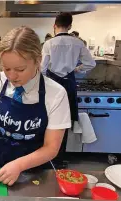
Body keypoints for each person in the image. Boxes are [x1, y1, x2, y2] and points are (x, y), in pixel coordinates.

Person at [0, 26, 71, 186]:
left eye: (20, 69)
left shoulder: (56, 94)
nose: (11, 76)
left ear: (38, 60)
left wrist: (19, 165)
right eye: (6, 68)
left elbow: (51, 148)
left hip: (35, 172)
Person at [41, 13, 96, 160]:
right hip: (69, 83)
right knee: (64, 122)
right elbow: (91, 63)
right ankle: (60, 158)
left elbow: (42, 68)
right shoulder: (78, 43)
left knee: (48, 119)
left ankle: (46, 156)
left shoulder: (49, 44)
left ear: (54, 26)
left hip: (52, 83)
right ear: (70, 26)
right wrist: (77, 69)